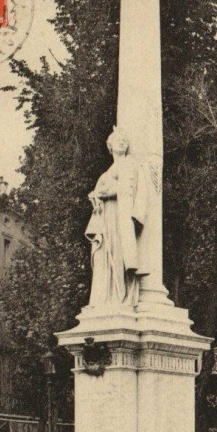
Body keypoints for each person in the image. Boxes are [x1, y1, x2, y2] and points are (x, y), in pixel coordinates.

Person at [86, 126, 148, 307]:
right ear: (110, 145)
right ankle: (105, 297)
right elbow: (101, 190)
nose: (122, 142)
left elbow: (128, 189)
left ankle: (119, 296)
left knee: (119, 253)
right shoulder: (109, 170)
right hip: (106, 216)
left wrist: (106, 193)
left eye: (124, 140)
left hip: (119, 215)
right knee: (104, 254)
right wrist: (96, 195)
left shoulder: (130, 164)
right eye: (118, 139)